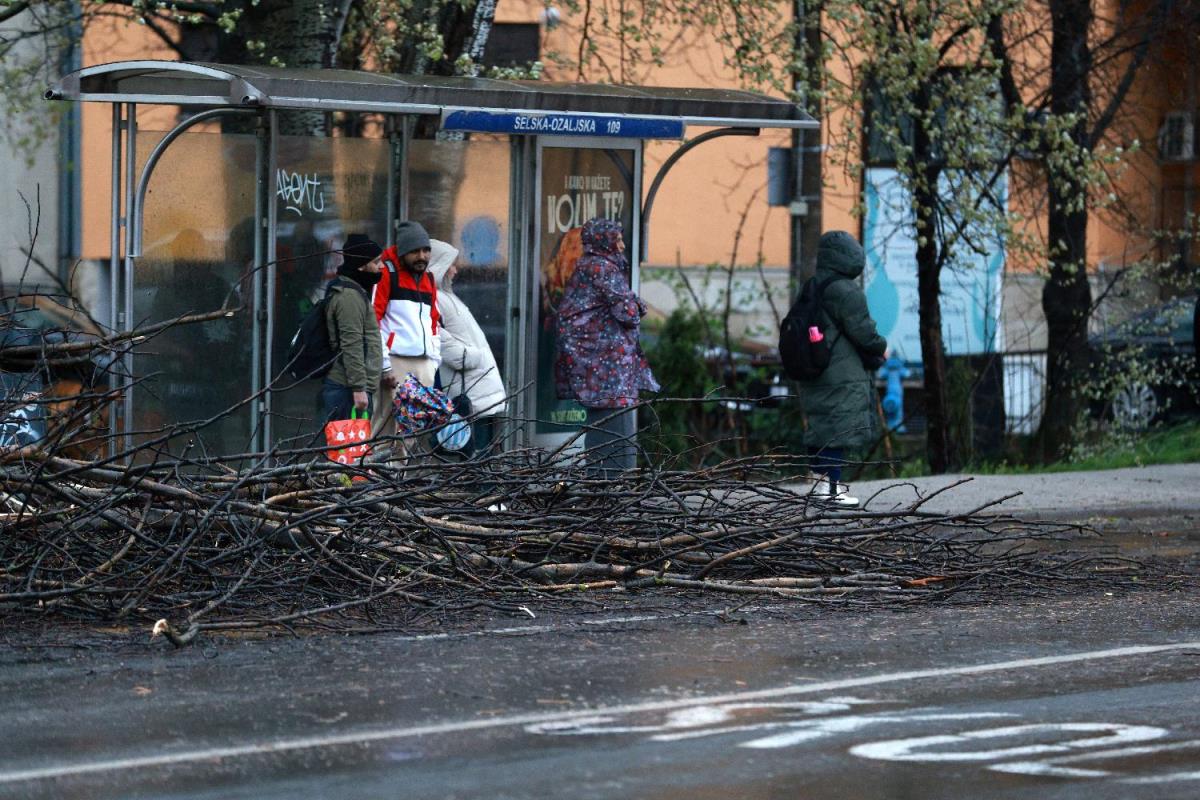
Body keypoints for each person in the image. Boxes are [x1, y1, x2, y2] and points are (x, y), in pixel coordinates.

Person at [555, 217, 660, 475]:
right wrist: (636, 304)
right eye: (619, 239)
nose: (623, 246)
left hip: (598, 366)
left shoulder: (592, 266)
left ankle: (605, 488)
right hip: (606, 367)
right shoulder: (603, 268)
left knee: (606, 428)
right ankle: (609, 491)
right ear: (604, 240)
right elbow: (629, 312)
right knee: (614, 430)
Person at [797, 230, 888, 508]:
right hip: (841, 372)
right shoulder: (846, 291)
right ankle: (835, 489)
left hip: (814, 366)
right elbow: (864, 332)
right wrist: (881, 345)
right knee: (838, 430)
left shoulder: (812, 285)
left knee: (820, 427)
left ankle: (819, 486)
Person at [427, 239, 507, 455]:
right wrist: (473, 357)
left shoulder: (447, 297)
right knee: (475, 456)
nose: (455, 270)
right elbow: (439, 340)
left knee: (483, 453)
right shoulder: (436, 300)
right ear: (439, 266)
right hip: (470, 393)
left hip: (478, 391)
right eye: (451, 264)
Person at [371, 221, 441, 440]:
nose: (422, 256)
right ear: (402, 251)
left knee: (412, 429)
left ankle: (403, 474)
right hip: (395, 361)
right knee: (385, 425)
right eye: (415, 251)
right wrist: (385, 366)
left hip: (423, 362)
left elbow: (434, 322)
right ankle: (378, 472)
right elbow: (374, 322)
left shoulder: (428, 278)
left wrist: (433, 362)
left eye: (426, 250)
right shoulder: (386, 274)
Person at [321, 234, 390, 424]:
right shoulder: (349, 296)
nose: (381, 267)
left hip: (350, 387)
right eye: (376, 262)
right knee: (345, 450)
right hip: (347, 388)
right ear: (361, 265)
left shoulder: (355, 291)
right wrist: (359, 388)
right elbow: (351, 344)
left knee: (353, 450)